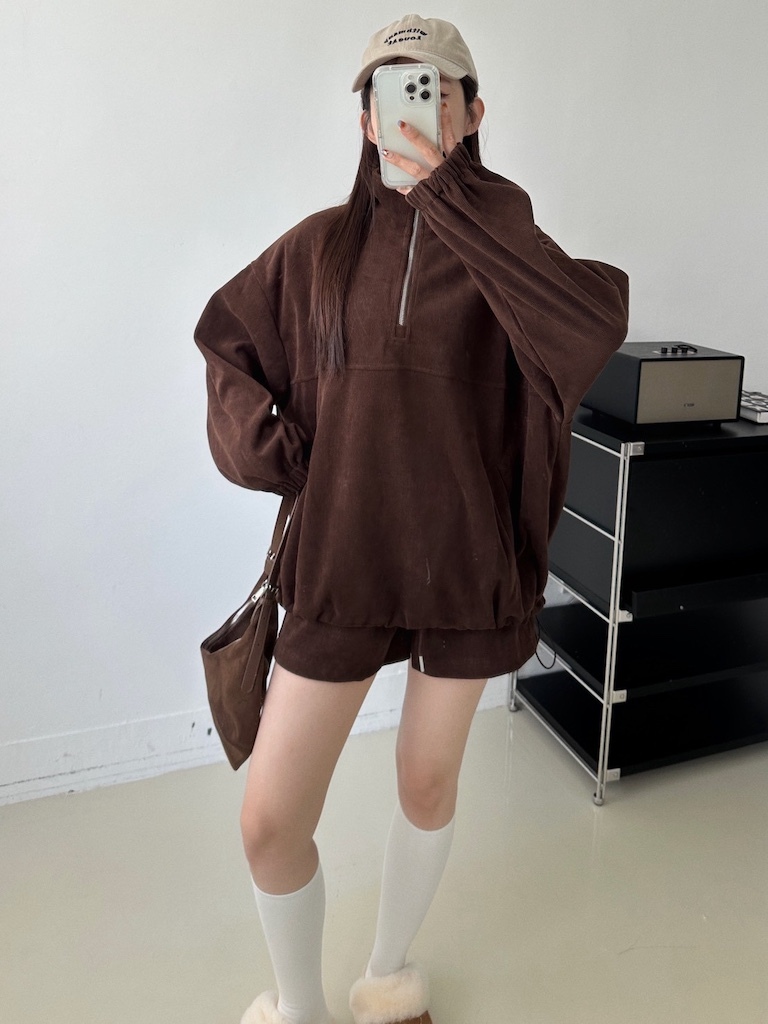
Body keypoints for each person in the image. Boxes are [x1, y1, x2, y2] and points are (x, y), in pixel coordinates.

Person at [195, 14, 629, 1024]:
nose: (414, 106)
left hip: (467, 563)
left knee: (427, 784)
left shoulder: (514, 255)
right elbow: (227, 342)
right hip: (343, 557)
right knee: (269, 821)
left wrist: (455, 202)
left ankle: (387, 976)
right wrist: (275, 450)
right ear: (363, 118)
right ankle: (301, 1008)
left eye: (436, 87)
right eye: (393, 88)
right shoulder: (317, 250)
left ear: (473, 113)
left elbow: (585, 333)